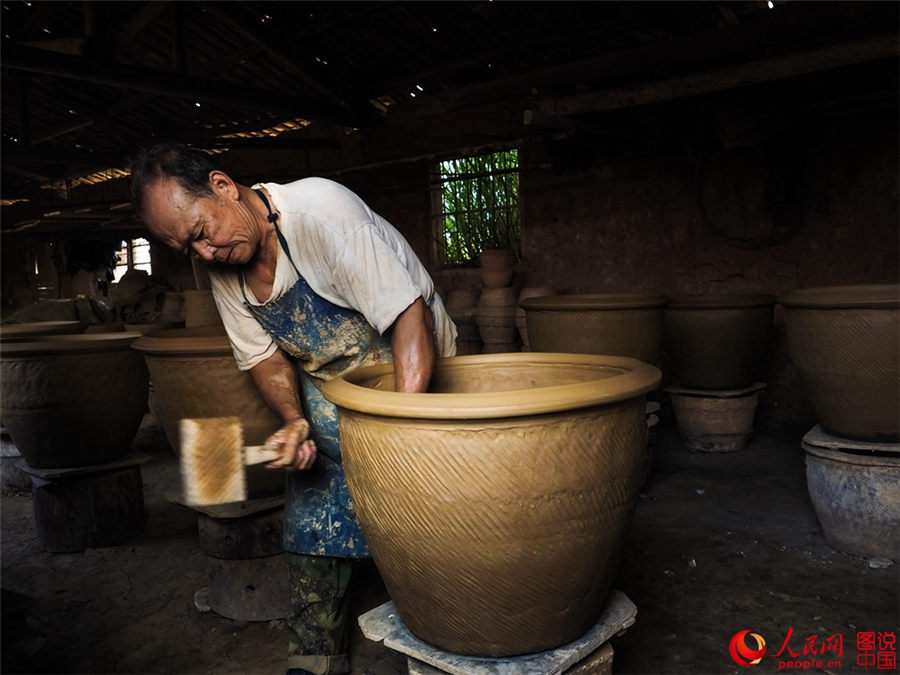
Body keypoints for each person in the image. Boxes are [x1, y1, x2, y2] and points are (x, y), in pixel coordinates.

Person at [129, 143, 457, 675]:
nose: (206, 254)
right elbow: (264, 358)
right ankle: (315, 658)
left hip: (414, 381)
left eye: (200, 232)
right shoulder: (225, 268)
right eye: (189, 250)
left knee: (427, 527)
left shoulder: (322, 214)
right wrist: (293, 419)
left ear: (221, 186)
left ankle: (453, 635)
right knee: (312, 522)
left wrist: (403, 433)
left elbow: (407, 320)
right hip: (332, 393)